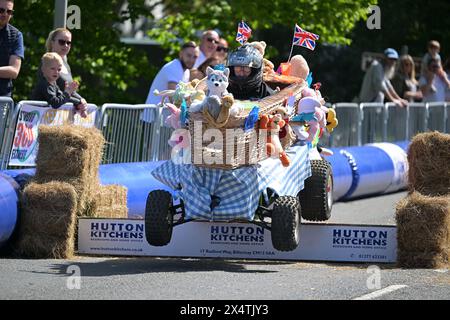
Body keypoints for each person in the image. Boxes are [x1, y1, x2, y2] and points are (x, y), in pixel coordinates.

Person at [41, 28, 88, 113]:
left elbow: (69, 91)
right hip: (44, 114)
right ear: (52, 42)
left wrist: (81, 100)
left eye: (68, 43)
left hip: (60, 115)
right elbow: (56, 93)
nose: (66, 45)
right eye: (62, 42)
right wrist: (79, 101)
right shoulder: (46, 62)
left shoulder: (66, 64)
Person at [144, 41, 199, 105]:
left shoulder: (186, 71)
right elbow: (174, 99)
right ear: (181, 54)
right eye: (188, 55)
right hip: (153, 113)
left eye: (195, 57)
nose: (191, 60)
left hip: (161, 112)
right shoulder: (174, 67)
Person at [0, 0, 24, 98]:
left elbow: (14, 71)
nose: (5, 14)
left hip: (2, 97)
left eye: (9, 11)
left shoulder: (16, 35)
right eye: (1, 10)